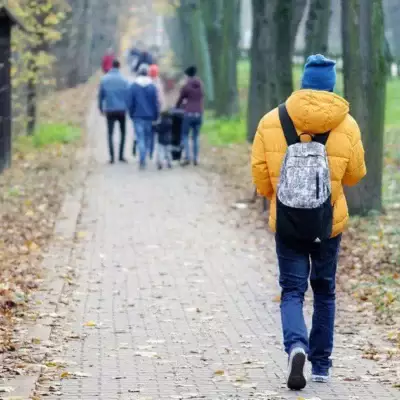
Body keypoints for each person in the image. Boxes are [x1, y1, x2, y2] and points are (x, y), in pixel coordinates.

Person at [251, 54, 366, 390]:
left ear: (303, 82)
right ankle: (322, 365)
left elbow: (260, 174)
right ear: (332, 85)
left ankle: (296, 346)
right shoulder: (348, 124)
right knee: (325, 291)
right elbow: (356, 175)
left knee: (291, 290)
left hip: (287, 220)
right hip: (327, 223)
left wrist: (276, 193)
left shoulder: (273, 120)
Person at [127, 64, 159, 169]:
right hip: (149, 117)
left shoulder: (133, 86)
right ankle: (145, 156)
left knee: (140, 138)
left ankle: (142, 160)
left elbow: (130, 103)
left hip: (137, 116)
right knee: (147, 138)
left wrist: (131, 114)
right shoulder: (152, 87)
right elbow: (155, 103)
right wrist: (156, 115)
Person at [98, 59, 129, 164]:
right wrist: (128, 107)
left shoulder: (104, 79)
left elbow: (101, 96)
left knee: (110, 133)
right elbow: (128, 96)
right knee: (123, 133)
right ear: (119, 67)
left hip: (110, 109)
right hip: (121, 110)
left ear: (112, 66)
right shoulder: (124, 80)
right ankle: (121, 156)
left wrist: (100, 108)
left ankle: (111, 158)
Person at [176, 65, 204, 166]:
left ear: (187, 75)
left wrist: (177, 107)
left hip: (188, 114)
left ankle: (187, 157)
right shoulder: (200, 85)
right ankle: (196, 158)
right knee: (196, 137)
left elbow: (180, 99)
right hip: (199, 113)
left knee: (185, 135)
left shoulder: (186, 86)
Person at [148, 64, 166, 159]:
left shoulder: (148, 83)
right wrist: (162, 109)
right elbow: (161, 99)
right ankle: (153, 151)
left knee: (149, 132)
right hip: (157, 111)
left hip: (148, 111)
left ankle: (149, 152)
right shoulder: (159, 83)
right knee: (155, 132)